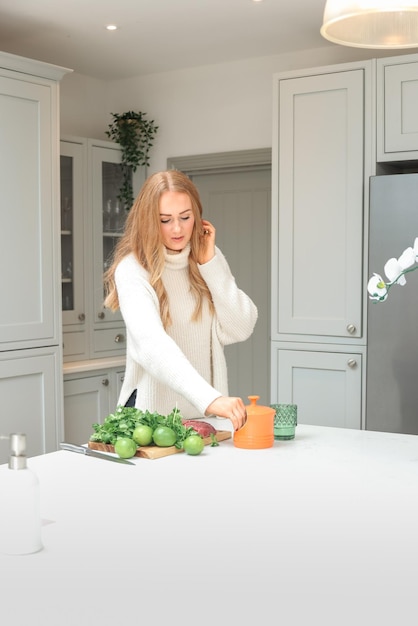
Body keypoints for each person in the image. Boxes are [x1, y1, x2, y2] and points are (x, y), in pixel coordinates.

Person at [104, 170, 258, 431]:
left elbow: (241, 327)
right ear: (149, 221)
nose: (177, 229)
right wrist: (210, 398)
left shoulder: (206, 258)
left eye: (185, 217)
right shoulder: (133, 270)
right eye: (165, 220)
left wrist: (210, 264)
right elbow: (152, 345)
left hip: (203, 419)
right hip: (150, 422)